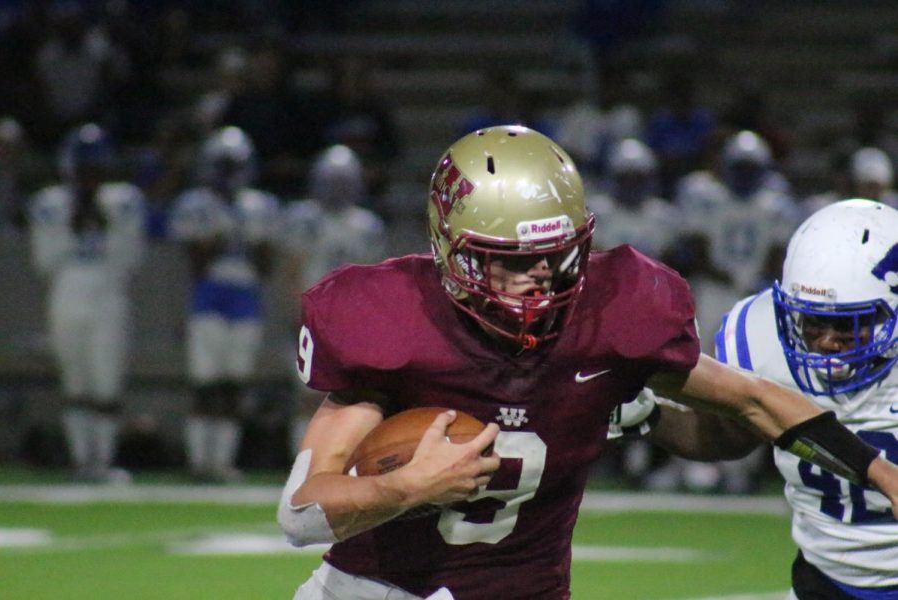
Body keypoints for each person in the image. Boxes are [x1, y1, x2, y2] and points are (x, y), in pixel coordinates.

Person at [277, 126, 898, 600]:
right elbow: (299, 515)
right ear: (452, 251)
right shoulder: (389, 324)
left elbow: (754, 400)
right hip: (375, 590)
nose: (542, 277)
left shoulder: (614, 314)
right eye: (515, 260)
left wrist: (876, 470)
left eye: (557, 255)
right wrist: (402, 488)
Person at [610, 199, 898, 598]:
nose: (827, 342)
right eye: (813, 320)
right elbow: (723, 435)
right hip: (825, 582)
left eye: (850, 324)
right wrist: (645, 417)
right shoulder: (763, 338)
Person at [28, 123, 146, 483]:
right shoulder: (51, 203)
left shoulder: (123, 201)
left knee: (106, 381)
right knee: (75, 381)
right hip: (68, 293)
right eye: (85, 167)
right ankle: (81, 461)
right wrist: (72, 226)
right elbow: (44, 261)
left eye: (95, 167)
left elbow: (131, 259)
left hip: (108, 295)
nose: (90, 176)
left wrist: (105, 224)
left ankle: (103, 461)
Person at [168, 126, 280, 483]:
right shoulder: (196, 203)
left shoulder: (259, 206)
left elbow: (265, 267)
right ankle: (199, 461)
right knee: (205, 383)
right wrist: (221, 236)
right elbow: (195, 262)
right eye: (224, 165)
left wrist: (250, 239)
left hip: (245, 297)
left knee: (233, 385)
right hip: (210, 296)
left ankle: (222, 462)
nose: (228, 173)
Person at [279, 144, 387, 453]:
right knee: (308, 394)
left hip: (350, 322)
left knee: (346, 397)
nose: (337, 189)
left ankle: (333, 462)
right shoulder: (303, 218)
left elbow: (373, 280)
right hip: (314, 318)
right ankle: (299, 463)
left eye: (343, 181)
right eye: (332, 181)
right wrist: (296, 314)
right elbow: (291, 271)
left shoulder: (367, 225)